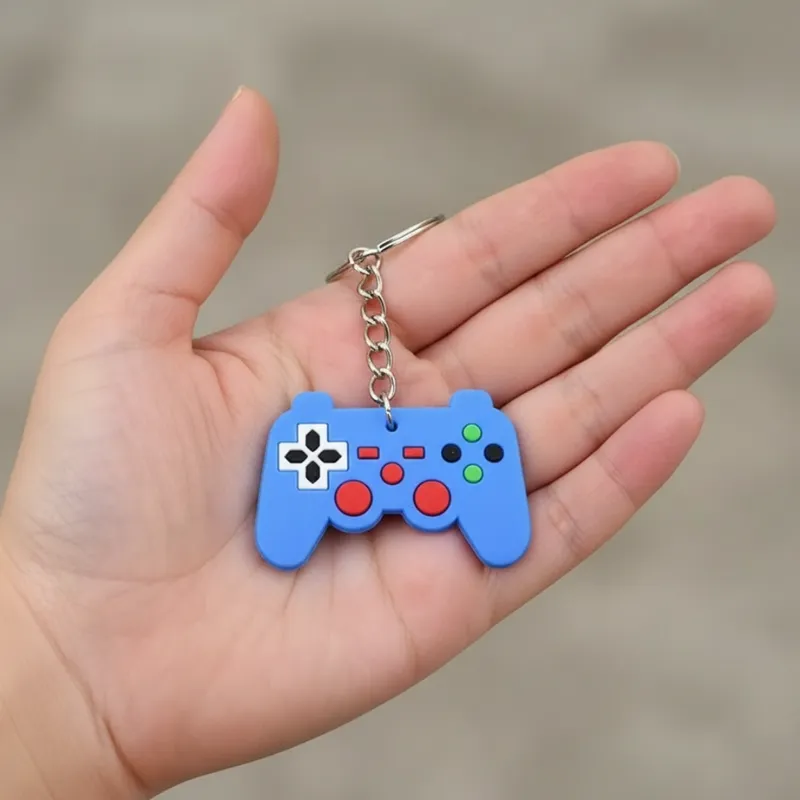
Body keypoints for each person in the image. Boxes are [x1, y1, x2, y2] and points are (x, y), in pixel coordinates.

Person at [0, 88, 776, 799]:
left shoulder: (353, 442)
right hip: (400, 450)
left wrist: (60, 666)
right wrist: (56, 647)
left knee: (440, 464)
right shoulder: (382, 442)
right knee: (446, 464)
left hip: (389, 450)